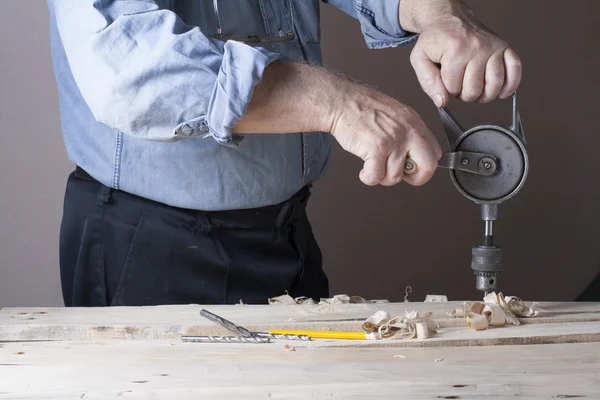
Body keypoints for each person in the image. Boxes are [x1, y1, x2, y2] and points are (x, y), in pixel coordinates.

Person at [47, 0, 521, 307]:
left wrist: (438, 14)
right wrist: (340, 104)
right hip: (150, 249)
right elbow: (127, 69)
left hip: (286, 233)